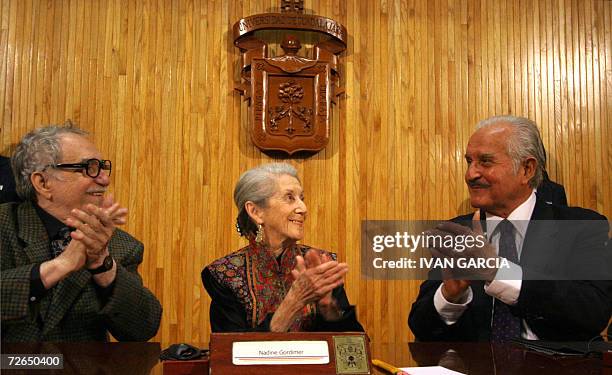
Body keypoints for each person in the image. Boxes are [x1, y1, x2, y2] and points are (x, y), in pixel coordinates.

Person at [408, 115, 611, 342]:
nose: (470, 175)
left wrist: (497, 272)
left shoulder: (580, 227)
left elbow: (593, 313)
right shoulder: (456, 232)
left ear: (527, 169)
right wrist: (450, 296)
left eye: (485, 161)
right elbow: (421, 328)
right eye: (469, 162)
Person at [1, 124, 162, 342]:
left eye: (103, 167)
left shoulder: (119, 245)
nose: (104, 179)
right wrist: (60, 266)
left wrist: (103, 264)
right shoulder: (5, 225)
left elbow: (143, 328)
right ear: (43, 182)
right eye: (88, 168)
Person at [202, 163, 363, 332]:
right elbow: (230, 353)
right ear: (255, 211)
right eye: (289, 197)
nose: (303, 208)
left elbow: (354, 350)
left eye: (302, 198)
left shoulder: (320, 265)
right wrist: (294, 301)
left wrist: (327, 306)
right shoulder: (225, 274)